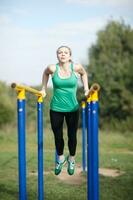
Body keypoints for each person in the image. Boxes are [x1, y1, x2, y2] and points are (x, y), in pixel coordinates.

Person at [40, 46, 89, 175]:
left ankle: (71, 159)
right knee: (58, 136)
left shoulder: (76, 67)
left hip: (72, 108)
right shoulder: (52, 68)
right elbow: (45, 73)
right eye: (60, 52)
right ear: (57, 55)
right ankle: (61, 158)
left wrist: (86, 89)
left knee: (72, 136)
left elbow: (84, 74)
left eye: (65, 52)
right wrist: (43, 88)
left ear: (70, 56)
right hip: (56, 108)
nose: (63, 54)